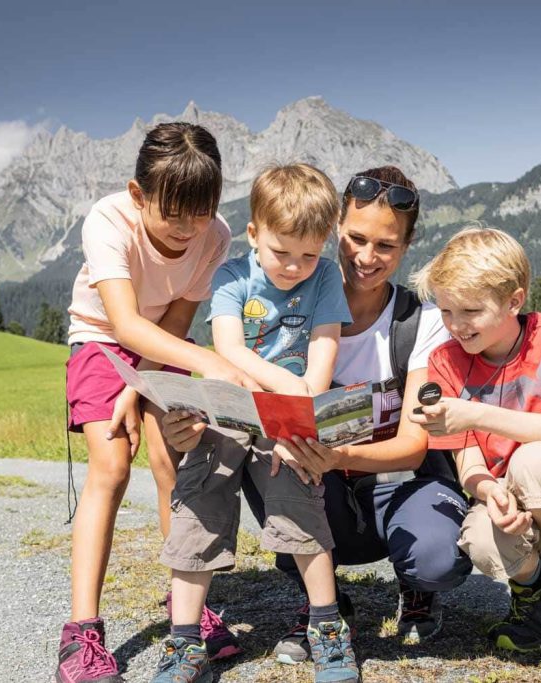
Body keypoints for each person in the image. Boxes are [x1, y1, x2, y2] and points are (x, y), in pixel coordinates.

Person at [163, 166, 474, 666]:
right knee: (276, 470)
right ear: (336, 232)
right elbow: (236, 370)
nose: (367, 258)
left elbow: (416, 445)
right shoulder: (295, 301)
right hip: (316, 477)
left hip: (395, 480)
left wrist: (338, 454)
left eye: (386, 246)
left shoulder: (423, 323)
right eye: (355, 239)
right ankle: (323, 604)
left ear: (406, 246)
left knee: (436, 558)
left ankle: (417, 586)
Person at [58, 122, 256, 683]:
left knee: (176, 458)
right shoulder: (107, 219)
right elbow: (122, 322)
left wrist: (138, 385)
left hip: (160, 341)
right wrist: (210, 363)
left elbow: (176, 319)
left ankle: (185, 610)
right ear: (139, 194)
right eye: (173, 214)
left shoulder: (213, 233)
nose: (188, 229)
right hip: (100, 337)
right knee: (113, 463)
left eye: (201, 212)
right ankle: (81, 636)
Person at [152, 164, 360, 683]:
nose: (294, 267)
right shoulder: (231, 277)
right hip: (231, 408)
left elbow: (321, 359)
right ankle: (184, 642)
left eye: (309, 255)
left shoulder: (327, 277)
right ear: (253, 235)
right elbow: (227, 348)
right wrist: (285, 384)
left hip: (289, 416)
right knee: (198, 504)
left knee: (303, 508)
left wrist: (301, 393)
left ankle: (328, 631)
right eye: (280, 253)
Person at [408, 226, 541, 672]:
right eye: (446, 311)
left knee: (535, 457)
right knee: (480, 537)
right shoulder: (444, 361)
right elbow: (467, 462)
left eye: (470, 311)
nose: (456, 325)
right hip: (514, 495)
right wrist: (490, 493)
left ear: (514, 300)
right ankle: (538, 588)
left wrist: (475, 414)